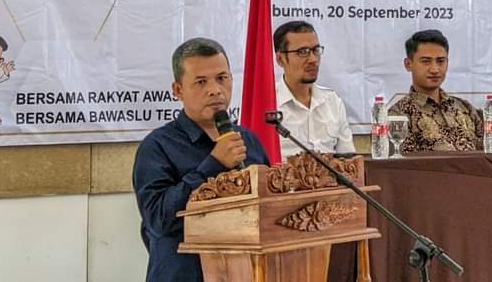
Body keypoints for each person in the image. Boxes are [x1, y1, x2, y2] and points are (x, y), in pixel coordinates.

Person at [133, 38, 269, 282]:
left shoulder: (248, 139)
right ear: (178, 90)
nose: (215, 90)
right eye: (201, 82)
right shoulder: (157, 146)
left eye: (221, 78)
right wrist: (213, 164)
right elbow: (158, 220)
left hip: (247, 272)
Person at [389, 29, 483, 153]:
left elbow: (490, 155)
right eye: (426, 61)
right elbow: (404, 163)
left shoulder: (466, 108)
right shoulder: (398, 115)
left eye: (440, 61)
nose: (434, 69)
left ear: (447, 63)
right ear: (408, 64)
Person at [273, 20, 354, 158]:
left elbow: (348, 159)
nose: (313, 59)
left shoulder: (332, 101)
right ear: (280, 59)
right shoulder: (266, 105)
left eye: (316, 50)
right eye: (303, 52)